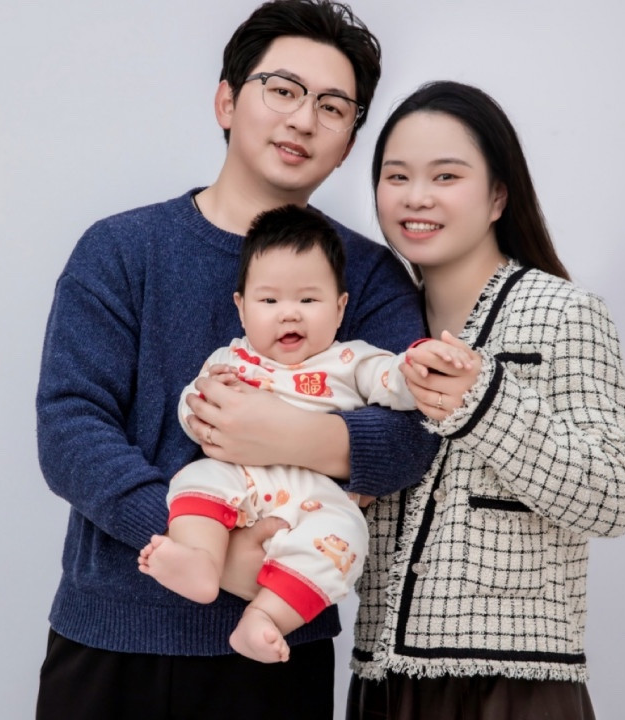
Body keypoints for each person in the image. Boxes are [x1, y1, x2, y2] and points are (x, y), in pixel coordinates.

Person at [35, 2, 440, 719]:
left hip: (276, 649)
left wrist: (289, 435)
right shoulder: (121, 250)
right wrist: (210, 548)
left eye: (332, 106)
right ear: (226, 100)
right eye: (282, 90)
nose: (303, 119)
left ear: (349, 142)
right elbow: (71, 429)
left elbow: (413, 434)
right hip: (111, 633)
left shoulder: (369, 276)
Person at [346, 80, 625, 720]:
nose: (416, 197)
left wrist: (485, 405)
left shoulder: (565, 313)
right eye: (396, 176)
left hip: (513, 685)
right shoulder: (373, 330)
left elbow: (619, 496)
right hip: (382, 680)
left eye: (446, 176)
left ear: (497, 196)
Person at [137, 205, 471, 664]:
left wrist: (417, 366)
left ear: (339, 308)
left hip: (314, 495)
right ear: (241, 308)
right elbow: (193, 402)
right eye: (269, 301)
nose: (289, 315)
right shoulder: (231, 359)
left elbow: (390, 380)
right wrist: (197, 406)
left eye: (309, 301)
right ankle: (199, 559)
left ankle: (265, 617)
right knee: (194, 481)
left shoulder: (349, 360)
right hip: (238, 477)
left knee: (344, 538)